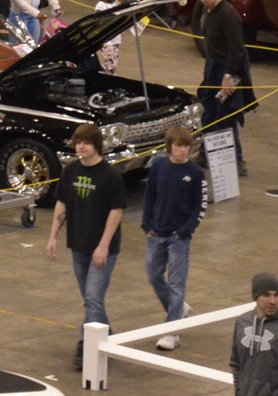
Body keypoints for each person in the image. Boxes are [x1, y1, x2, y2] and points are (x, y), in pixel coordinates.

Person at [47, 123, 127, 371]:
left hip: (103, 248)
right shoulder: (70, 171)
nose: (81, 147)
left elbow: (116, 212)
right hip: (78, 245)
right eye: (78, 142)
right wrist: (53, 237)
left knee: (93, 297)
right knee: (91, 300)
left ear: (97, 145)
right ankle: (109, 338)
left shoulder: (110, 175)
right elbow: (62, 205)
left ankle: (86, 346)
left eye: (87, 142)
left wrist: (103, 246)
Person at [142, 126, 207, 352]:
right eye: (178, 146)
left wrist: (186, 230)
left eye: (186, 146)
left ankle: (172, 332)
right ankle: (179, 309)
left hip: (179, 238)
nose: (182, 150)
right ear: (170, 146)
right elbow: (150, 194)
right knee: (153, 274)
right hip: (156, 233)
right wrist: (146, 223)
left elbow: (200, 205)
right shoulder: (158, 166)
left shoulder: (196, 173)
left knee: (177, 284)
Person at [196, 0, 252, 178]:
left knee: (226, 115)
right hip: (212, 66)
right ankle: (204, 154)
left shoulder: (228, 14)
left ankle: (237, 162)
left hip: (226, 67)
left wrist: (229, 75)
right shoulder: (207, 10)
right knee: (209, 112)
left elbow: (237, 48)